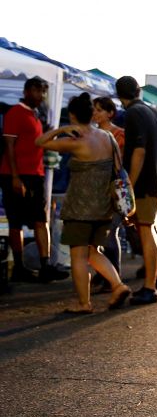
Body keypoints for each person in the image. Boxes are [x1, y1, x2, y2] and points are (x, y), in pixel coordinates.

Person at [35, 93, 131, 312]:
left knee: (78, 255)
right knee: (92, 251)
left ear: (72, 116)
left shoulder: (75, 141)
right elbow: (118, 169)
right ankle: (117, 285)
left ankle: (84, 303)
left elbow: (39, 141)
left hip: (80, 207)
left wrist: (61, 129)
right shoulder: (109, 137)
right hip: (104, 206)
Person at [0, 76, 68, 283]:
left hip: (36, 174)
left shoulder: (36, 115)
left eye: (44, 92)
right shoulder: (15, 113)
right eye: (38, 91)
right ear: (27, 91)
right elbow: (9, 147)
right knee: (16, 222)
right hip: (17, 175)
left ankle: (45, 265)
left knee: (41, 220)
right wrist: (15, 177)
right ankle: (19, 266)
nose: (41, 96)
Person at [117, 75, 157, 306]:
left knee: (146, 229)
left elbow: (138, 151)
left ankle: (150, 288)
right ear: (138, 90)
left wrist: (128, 184)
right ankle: (156, 278)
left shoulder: (133, 113)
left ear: (119, 95)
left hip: (145, 181)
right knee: (148, 228)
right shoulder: (154, 111)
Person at [92, 97, 125, 292]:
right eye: (94, 110)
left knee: (111, 233)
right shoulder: (93, 134)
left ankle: (114, 277)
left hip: (113, 189)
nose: (95, 113)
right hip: (97, 190)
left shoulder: (119, 135)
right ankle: (105, 274)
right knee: (100, 234)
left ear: (110, 113)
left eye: (99, 110)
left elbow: (121, 164)